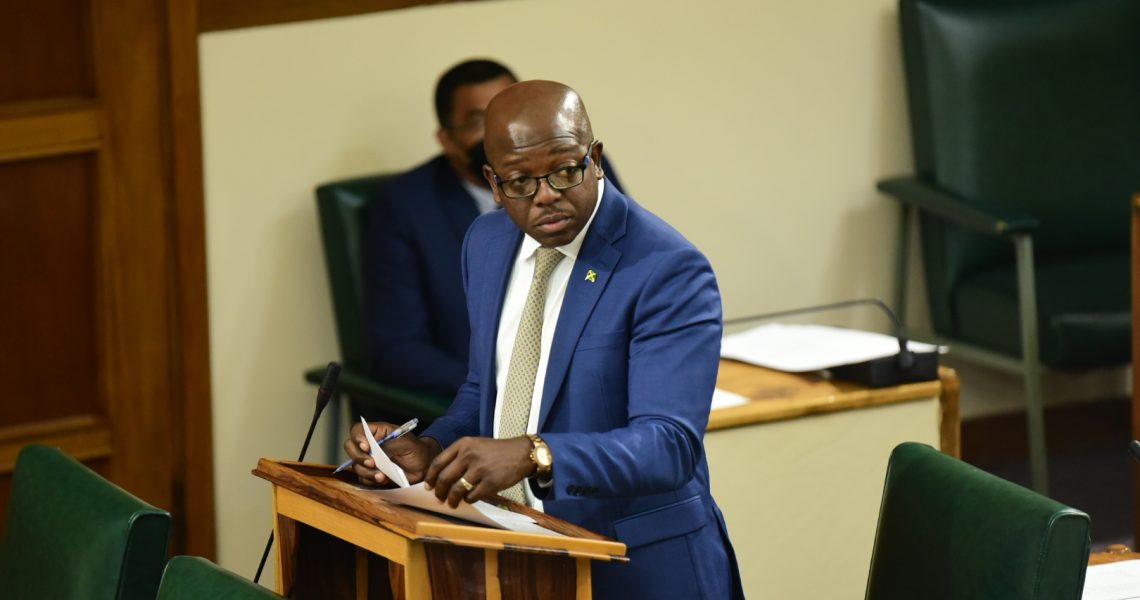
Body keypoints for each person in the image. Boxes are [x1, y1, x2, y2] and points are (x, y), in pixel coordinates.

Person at [346, 80, 742, 599]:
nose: (547, 194)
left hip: (635, 568)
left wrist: (536, 454)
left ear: (594, 159)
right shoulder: (486, 243)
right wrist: (432, 448)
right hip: (518, 559)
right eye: (520, 181)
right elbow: (486, 389)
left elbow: (668, 446)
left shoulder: (666, 268)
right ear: (493, 182)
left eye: (565, 171)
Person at [363, 59, 625, 397]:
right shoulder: (407, 206)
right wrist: (498, 386)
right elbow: (397, 349)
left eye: (513, 113)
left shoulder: (581, 171)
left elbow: (627, 272)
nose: (501, 131)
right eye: (478, 121)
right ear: (447, 140)